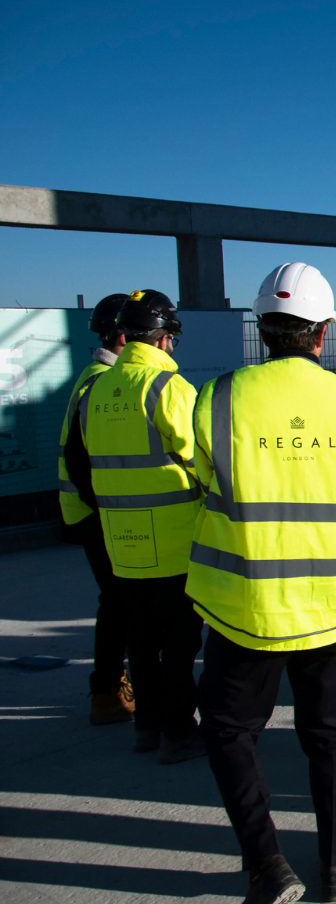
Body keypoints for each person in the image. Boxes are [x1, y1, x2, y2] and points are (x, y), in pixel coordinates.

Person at [189, 263, 336, 903]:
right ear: (324, 334)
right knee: (330, 736)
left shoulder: (218, 396)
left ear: (263, 328)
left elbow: (204, 475)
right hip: (334, 600)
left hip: (245, 601)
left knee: (230, 730)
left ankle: (267, 864)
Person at [69, 289, 205, 764]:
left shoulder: (96, 387)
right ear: (165, 340)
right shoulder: (168, 389)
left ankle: (147, 726)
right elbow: (202, 460)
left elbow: (82, 462)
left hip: (122, 541)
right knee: (181, 643)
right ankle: (178, 731)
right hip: (173, 539)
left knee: (141, 638)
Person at [57, 292, 136, 725]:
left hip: (91, 510)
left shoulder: (96, 376)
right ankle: (107, 690)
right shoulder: (101, 381)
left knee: (119, 602)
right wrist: (108, 509)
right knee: (119, 604)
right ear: (123, 336)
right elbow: (78, 458)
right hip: (95, 513)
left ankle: (110, 687)